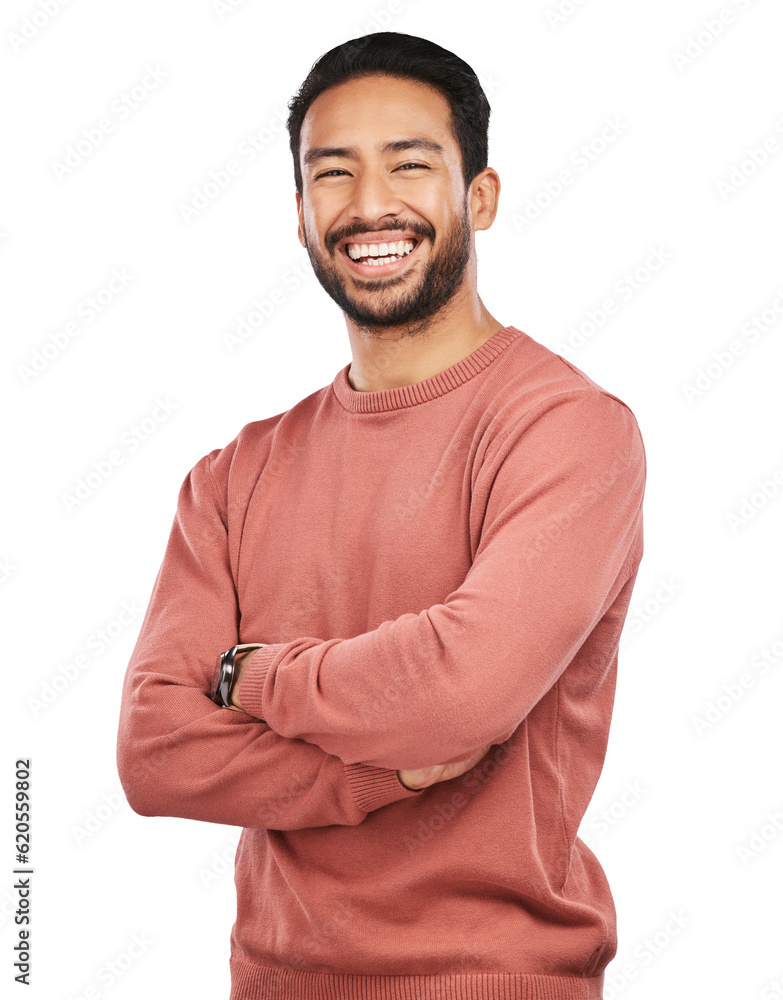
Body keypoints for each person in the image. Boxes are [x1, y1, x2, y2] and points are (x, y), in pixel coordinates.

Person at [117, 30, 646, 1000]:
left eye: (409, 164)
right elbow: (153, 751)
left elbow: (459, 693)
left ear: (479, 195)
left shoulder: (570, 431)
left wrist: (250, 674)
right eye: (334, 173)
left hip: (497, 981)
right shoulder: (231, 475)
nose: (369, 205)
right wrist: (374, 778)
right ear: (302, 211)